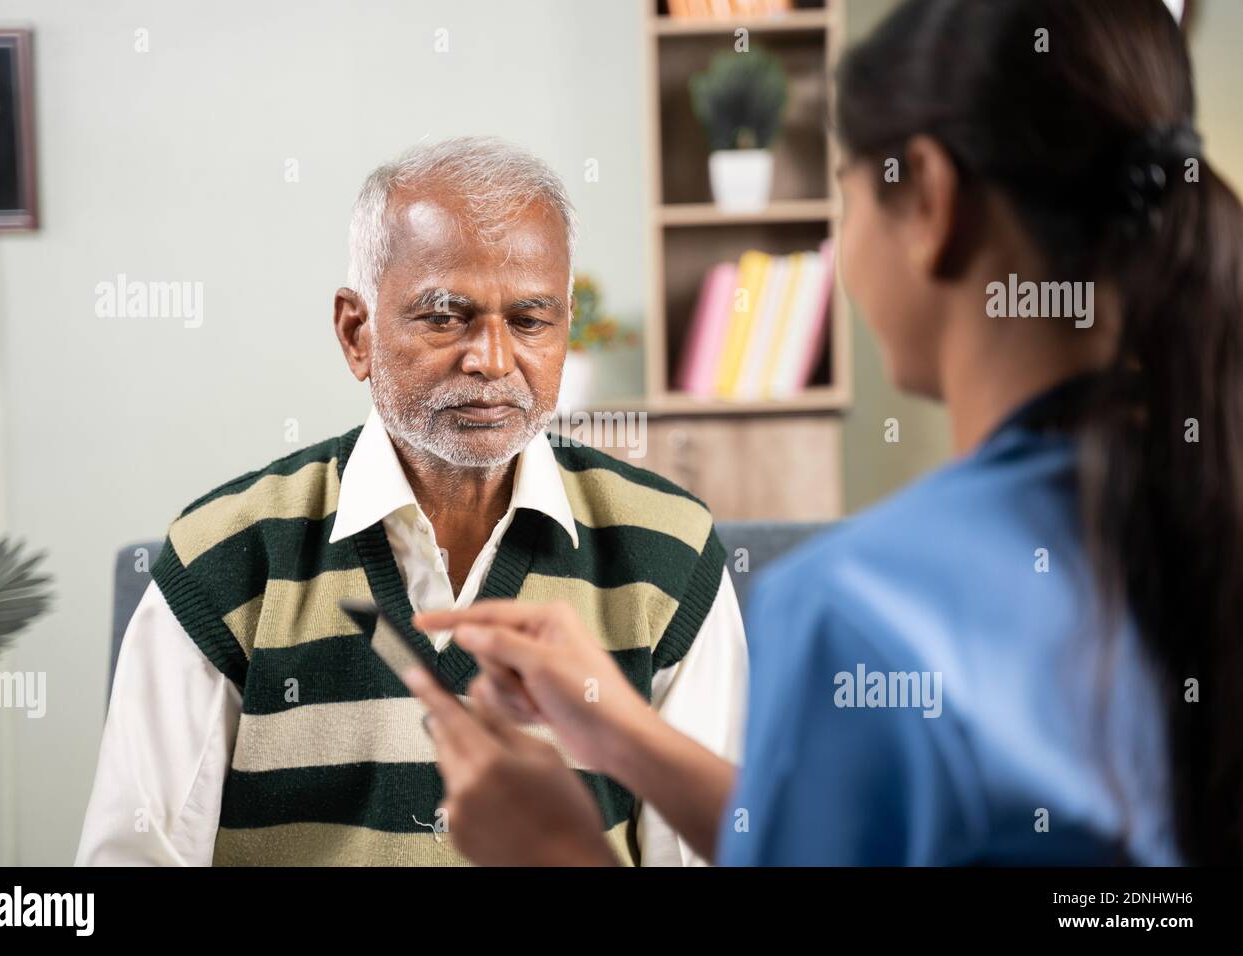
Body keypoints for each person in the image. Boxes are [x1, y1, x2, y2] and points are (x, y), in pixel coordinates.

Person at [401, 0, 1243, 866]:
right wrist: (622, 735)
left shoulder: (858, 611)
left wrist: (556, 851)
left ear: (928, 199)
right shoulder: (1196, 508)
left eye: (844, 190)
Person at [75, 136, 748, 866]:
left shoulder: (668, 553)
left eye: (529, 320)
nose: (492, 359)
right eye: (445, 316)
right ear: (355, 332)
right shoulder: (227, 558)